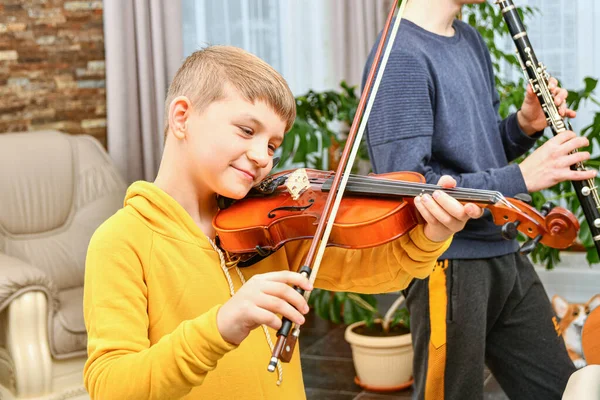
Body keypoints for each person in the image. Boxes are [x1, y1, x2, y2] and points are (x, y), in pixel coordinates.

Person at [83, 45, 483, 400]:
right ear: (182, 117)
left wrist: (432, 233)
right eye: (246, 130)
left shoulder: (268, 231)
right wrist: (221, 325)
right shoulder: (122, 241)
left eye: (273, 145)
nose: (263, 157)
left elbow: (381, 274)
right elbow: (112, 386)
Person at [362, 1, 597, 399]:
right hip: (448, 260)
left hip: (504, 247)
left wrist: (524, 126)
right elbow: (410, 190)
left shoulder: (469, 38)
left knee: (566, 388)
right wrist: (522, 176)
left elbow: (478, 154)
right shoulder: (399, 55)